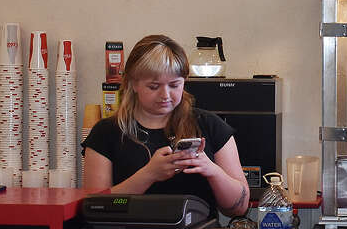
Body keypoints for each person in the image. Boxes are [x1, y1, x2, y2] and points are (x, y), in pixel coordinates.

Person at [82, 34, 250, 219]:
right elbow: (96, 207)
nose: (165, 95)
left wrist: (212, 171)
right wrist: (149, 175)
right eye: (154, 86)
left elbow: (239, 208)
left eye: (174, 85)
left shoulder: (210, 126)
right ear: (133, 83)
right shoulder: (106, 133)